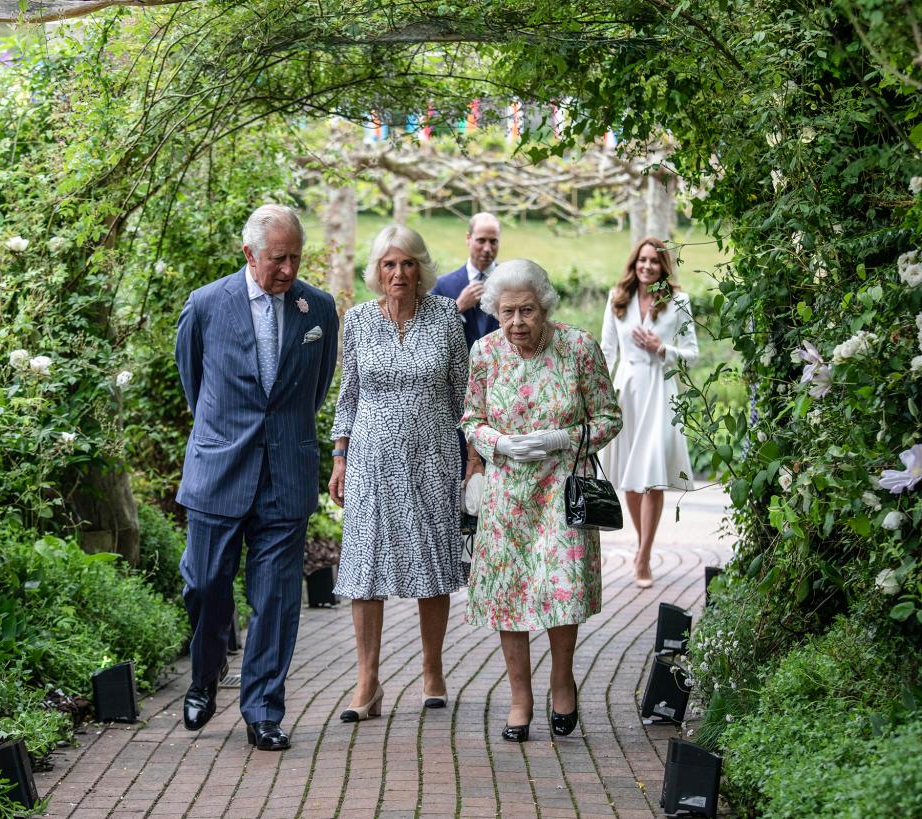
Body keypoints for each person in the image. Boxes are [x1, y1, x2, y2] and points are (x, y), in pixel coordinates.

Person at [175, 204, 339, 751]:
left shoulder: (318, 308)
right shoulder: (204, 306)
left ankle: (263, 709)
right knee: (204, 584)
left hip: (285, 474)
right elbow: (194, 385)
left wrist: (283, 436)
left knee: (275, 599)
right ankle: (204, 675)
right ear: (249, 255)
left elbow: (315, 391)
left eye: (295, 257)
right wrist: (225, 435)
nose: (288, 269)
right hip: (220, 469)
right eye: (277, 259)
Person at [461, 259, 621, 743]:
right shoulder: (486, 352)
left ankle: (561, 682)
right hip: (508, 497)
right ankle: (519, 698)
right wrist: (498, 444)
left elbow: (609, 418)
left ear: (545, 306)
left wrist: (561, 439)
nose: (516, 324)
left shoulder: (577, 348)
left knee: (562, 589)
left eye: (527, 311)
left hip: (561, 489)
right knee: (510, 595)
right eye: (506, 313)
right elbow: (471, 419)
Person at [328, 225, 468, 722]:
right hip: (370, 457)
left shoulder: (447, 315)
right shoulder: (360, 319)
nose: (399, 273)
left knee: (431, 563)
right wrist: (340, 455)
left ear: (421, 268)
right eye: (389, 264)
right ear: (377, 270)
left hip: (432, 456)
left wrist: (471, 450)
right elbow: (349, 395)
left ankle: (432, 670)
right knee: (364, 567)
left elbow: (462, 393)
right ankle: (368, 680)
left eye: (408, 263)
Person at [599, 236, 699, 588]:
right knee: (628, 475)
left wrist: (661, 348)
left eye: (654, 262)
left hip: (659, 391)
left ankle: (642, 557)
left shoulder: (679, 301)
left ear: (663, 266)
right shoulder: (618, 299)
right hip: (627, 391)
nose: (646, 267)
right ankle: (642, 545)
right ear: (634, 262)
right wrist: (599, 395)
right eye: (642, 260)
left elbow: (692, 354)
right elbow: (607, 352)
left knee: (652, 475)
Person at [432, 212, 502, 474]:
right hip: (457, 395)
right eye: (481, 240)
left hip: (502, 392)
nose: (487, 248)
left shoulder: (513, 282)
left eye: (493, 241)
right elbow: (429, 338)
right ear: (468, 238)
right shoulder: (443, 286)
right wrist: (457, 307)